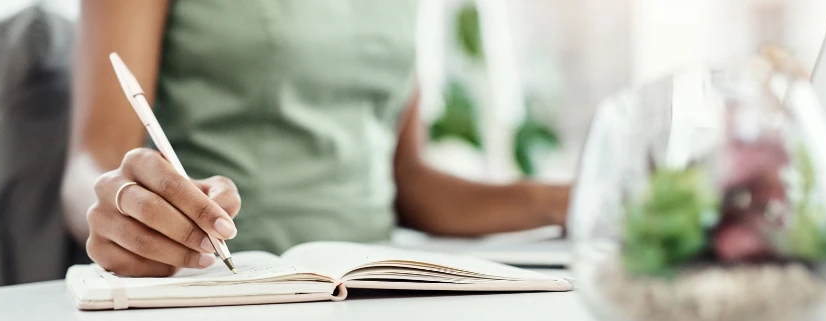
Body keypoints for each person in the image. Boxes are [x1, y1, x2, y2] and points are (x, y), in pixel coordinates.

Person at [61, 0, 571, 277]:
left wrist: (554, 200)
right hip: (220, 281)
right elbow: (93, 162)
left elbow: (409, 181)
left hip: (373, 283)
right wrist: (125, 205)